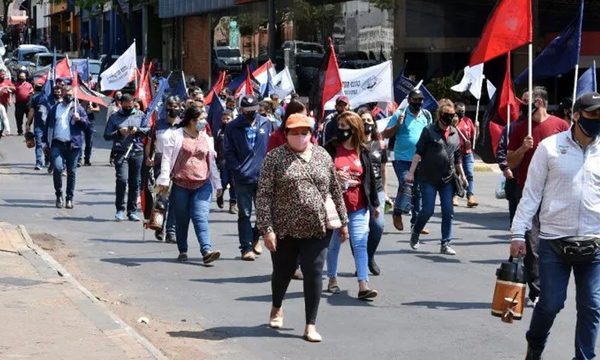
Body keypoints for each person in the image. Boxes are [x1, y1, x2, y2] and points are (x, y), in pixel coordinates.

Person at [510, 92, 600, 360]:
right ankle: (535, 345)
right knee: (550, 303)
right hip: (554, 243)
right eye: (592, 115)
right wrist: (517, 234)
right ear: (575, 115)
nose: (597, 120)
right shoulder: (549, 148)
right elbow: (532, 194)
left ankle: (583, 357)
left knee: (592, 306)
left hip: (593, 242)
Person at [256, 113, 349, 342]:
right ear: (285, 134)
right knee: (283, 272)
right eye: (294, 132)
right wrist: (267, 229)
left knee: (314, 271)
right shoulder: (274, 158)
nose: (300, 136)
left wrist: (343, 223)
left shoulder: (322, 155)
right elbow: (264, 195)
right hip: (284, 229)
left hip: (317, 228)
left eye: (304, 132)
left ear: (311, 134)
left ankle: (310, 324)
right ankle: (277, 306)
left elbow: (335, 190)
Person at [507, 86, 570, 305]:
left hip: (556, 193)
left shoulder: (561, 126)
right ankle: (536, 290)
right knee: (532, 244)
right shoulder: (519, 129)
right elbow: (510, 162)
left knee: (552, 244)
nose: (523, 106)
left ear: (540, 103)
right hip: (528, 191)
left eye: (527, 102)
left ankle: (548, 285)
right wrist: (523, 149)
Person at [156, 105, 222, 264]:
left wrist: (218, 184)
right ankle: (183, 249)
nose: (204, 122)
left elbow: (211, 162)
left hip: (202, 184)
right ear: (192, 121)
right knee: (182, 218)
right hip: (180, 184)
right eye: (201, 119)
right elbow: (166, 159)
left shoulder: (206, 137)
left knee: (200, 216)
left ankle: (206, 250)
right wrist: (164, 179)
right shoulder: (176, 135)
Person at [325, 111, 380, 299]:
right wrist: (334, 175)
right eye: (338, 127)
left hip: (358, 205)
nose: (340, 130)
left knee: (360, 243)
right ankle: (332, 278)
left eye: (344, 127)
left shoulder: (362, 150)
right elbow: (319, 173)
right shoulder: (330, 148)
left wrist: (375, 204)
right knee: (334, 244)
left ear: (354, 129)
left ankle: (363, 285)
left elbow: (370, 179)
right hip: (334, 206)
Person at [405, 100, 467, 255]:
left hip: (447, 179)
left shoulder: (454, 133)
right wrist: (411, 173)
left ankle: (445, 243)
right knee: (427, 210)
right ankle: (416, 231)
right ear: (440, 115)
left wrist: (463, 176)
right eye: (447, 115)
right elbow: (418, 152)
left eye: (453, 115)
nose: (450, 118)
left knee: (448, 211)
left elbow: (457, 157)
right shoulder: (428, 130)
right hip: (428, 178)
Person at [224, 94, 273, 261]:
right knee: (244, 213)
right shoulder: (232, 127)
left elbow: (270, 148)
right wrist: (237, 170)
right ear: (241, 110)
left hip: (263, 175)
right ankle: (245, 248)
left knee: (264, 212)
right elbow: (228, 151)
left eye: (254, 110)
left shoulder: (266, 123)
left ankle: (255, 237)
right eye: (248, 110)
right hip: (243, 177)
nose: (251, 113)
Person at [382, 89, 433, 232]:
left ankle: (416, 223)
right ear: (409, 100)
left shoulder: (426, 115)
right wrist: (398, 124)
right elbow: (386, 133)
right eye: (415, 99)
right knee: (406, 183)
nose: (419, 102)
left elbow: (430, 134)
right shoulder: (400, 114)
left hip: (420, 159)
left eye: (421, 100)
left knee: (417, 190)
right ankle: (397, 213)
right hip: (401, 159)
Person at [104, 93, 151, 222]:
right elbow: (107, 135)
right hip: (121, 152)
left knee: (135, 182)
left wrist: (138, 130)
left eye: (131, 106)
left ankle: (132, 211)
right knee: (122, 180)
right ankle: (120, 209)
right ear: (122, 104)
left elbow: (149, 130)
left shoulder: (141, 115)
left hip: (137, 152)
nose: (129, 108)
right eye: (127, 106)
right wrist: (119, 132)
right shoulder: (114, 117)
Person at [42, 86, 89, 209]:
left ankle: (69, 198)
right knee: (57, 168)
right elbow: (47, 126)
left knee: (71, 172)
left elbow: (86, 126)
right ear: (62, 94)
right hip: (57, 144)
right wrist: (44, 142)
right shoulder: (55, 108)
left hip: (73, 145)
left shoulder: (78, 109)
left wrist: (79, 120)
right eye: (66, 94)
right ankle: (59, 195)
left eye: (70, 94)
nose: (69, 96)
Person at [145, 96, 181, 242]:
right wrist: (149, 157)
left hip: (178, 164)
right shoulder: (158, 125)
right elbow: (149, 143)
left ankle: (171, 231)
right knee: (162, 198)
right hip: (160, 165)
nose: (173, 108)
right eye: (170, 105)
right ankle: (159, 225)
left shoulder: (183, 126)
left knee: (175, 199)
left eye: (176, 105)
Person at [358, 107, 387, 275]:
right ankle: (360, 262)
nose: (366, 123)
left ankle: (369, 257)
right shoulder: (354, 144)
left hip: (377, 190)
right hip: (360, 191)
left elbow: (383, 170)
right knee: (360, 231)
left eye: (369, 120)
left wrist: (385, 191)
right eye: (363, 120)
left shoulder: (380, 144)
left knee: (378, 225)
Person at [454, 102, 478, 208]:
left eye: (463, 111)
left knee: (469, 174)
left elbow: (474, 137)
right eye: (459, 111)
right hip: (456, 152)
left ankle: (470, 196)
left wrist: (477, 128)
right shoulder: (452, 122)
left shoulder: (468, 121)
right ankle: (454, 196)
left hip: (467, 153)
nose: (461, 113)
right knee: (456, 175)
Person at [215, 110, 238, 214]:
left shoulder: (237, 131)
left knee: (234, 183)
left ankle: (233, 205)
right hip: (223, 161)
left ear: (232, 119)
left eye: (228, 119)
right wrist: (216, 160)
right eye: (224, 119)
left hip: (234, 162)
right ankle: (220, 195)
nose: (226, 121)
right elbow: (215, 147)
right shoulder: (219, 131)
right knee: (224, 181)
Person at [25, 81, 51, 170]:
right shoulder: (35, 98)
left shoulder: (51, 98)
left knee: (48, 144)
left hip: (49, 126)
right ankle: (39, 163)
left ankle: (48, 160)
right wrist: (28, 123)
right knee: (39, 144)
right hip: (39, 125)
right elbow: (31, 111)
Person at [81, 101, 100, 166]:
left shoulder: (92, 99)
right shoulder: (79, 98)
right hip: (80, 120)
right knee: (79, 140)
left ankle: (87, 158)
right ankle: (78, 159)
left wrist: (92, 109)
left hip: (90, 122)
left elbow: (98, 109)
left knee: (89, 142)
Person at [14, 71, 33, 136]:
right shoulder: (16, 85)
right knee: (18, 117)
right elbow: (12, 91)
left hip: (28, 103)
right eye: (20, 77)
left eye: (23, 77)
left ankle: (27, 127)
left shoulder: (29, 85)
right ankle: (20, 131)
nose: (22, 78)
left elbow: (32, 91)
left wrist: (32, 92)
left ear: (25, 77)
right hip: (19, 104)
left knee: (30, 117)